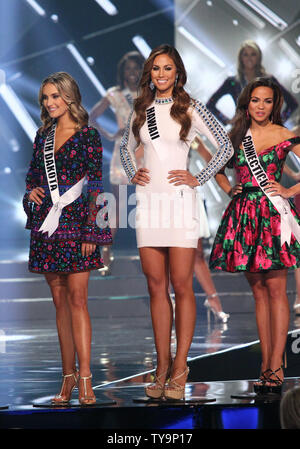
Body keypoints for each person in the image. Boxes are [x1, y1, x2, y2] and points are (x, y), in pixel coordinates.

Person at [120, 44, 234, 400]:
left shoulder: (190, 106)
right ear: (150, 74)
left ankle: (181, 367)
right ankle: (162, 365)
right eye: (156, 68)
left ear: (177, 72)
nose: (161, 74)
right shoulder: (141, 109)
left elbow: (226, 147)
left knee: (182, 285)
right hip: (150, 203)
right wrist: (131, 171)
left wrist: (198, 178)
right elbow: (125, 147)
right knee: (156, 286)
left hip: (181, 201)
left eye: (167, 68)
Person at [23, 72, 112, 405]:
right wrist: (29, 193)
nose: (49, 103)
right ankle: (68, 377)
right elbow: (33, 176)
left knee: (78, 300)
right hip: (49, 223)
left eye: (55, 96)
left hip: (78, 225)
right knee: (59, 302)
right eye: (45, 98)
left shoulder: (88, 135)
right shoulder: (43, 135)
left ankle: (86, 376)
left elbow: (96, 185)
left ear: (70, 96)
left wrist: (93, 230)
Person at [209, 77, 300, 395]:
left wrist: (289, 189)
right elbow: (216, 168)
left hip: (273, 215)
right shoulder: (236, 136)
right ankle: (265, 365)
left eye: (267, 101)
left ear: (275, 105)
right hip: (245, 215)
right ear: (246, 103)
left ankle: (276, 365)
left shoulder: (284, 135)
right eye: (255, 100)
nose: (261, 106)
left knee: (276, 291)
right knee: (259, 293)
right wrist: (228, 188)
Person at [89, 51, 144, 269]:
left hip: (145, 152)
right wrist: (111, 135)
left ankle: (148, 250)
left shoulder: (149, 93)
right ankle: (106, 249)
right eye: (128, 68)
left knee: (145, 204)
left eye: (136, 68)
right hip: (122, 154)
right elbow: (91, 117)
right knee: (117, 205)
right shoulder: (115, 94)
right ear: (123, 72)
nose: (132, 72)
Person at [207, 40, 298, 126]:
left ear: (258, 57)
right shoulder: (232, 82)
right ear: (241, 58)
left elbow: (292, 103)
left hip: (265, 132)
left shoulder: (269, 80)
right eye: (245, 55)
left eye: (253, 54)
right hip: (243, 132)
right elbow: (210, 104)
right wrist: (227, 121)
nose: (249, 58)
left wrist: (278, 123)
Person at [190, 138, 230, 322]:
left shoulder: (187, 130)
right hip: (161, 197)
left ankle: (213, 300)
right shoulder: (152, 124)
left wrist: (198, 178)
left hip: (186, 193)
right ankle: (170, 304)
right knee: (165, 251)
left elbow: (209, 157)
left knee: (197, 252)